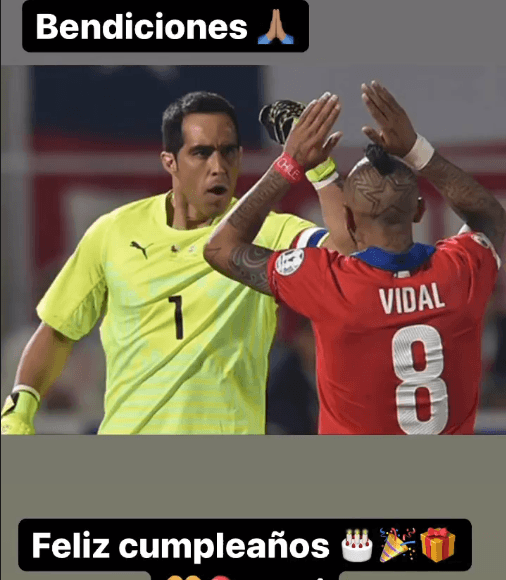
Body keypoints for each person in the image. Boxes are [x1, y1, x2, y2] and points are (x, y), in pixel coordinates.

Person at [1, 91, 347, 436]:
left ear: (240, 157)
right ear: (170, 161)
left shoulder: (270, 231)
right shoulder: (114, 232)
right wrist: (18, 413)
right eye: (201, 153)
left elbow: (345, 253)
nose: (218, 166)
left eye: (228, 152)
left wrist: (321, 169)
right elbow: (58, 331)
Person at [204, 84, 506, 435]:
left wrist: (291, 163)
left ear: (347, 218)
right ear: (420, 211)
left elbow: (220, 248)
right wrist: (416, 149)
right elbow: (490, 216)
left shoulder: (331, 284)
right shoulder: (461, 273)